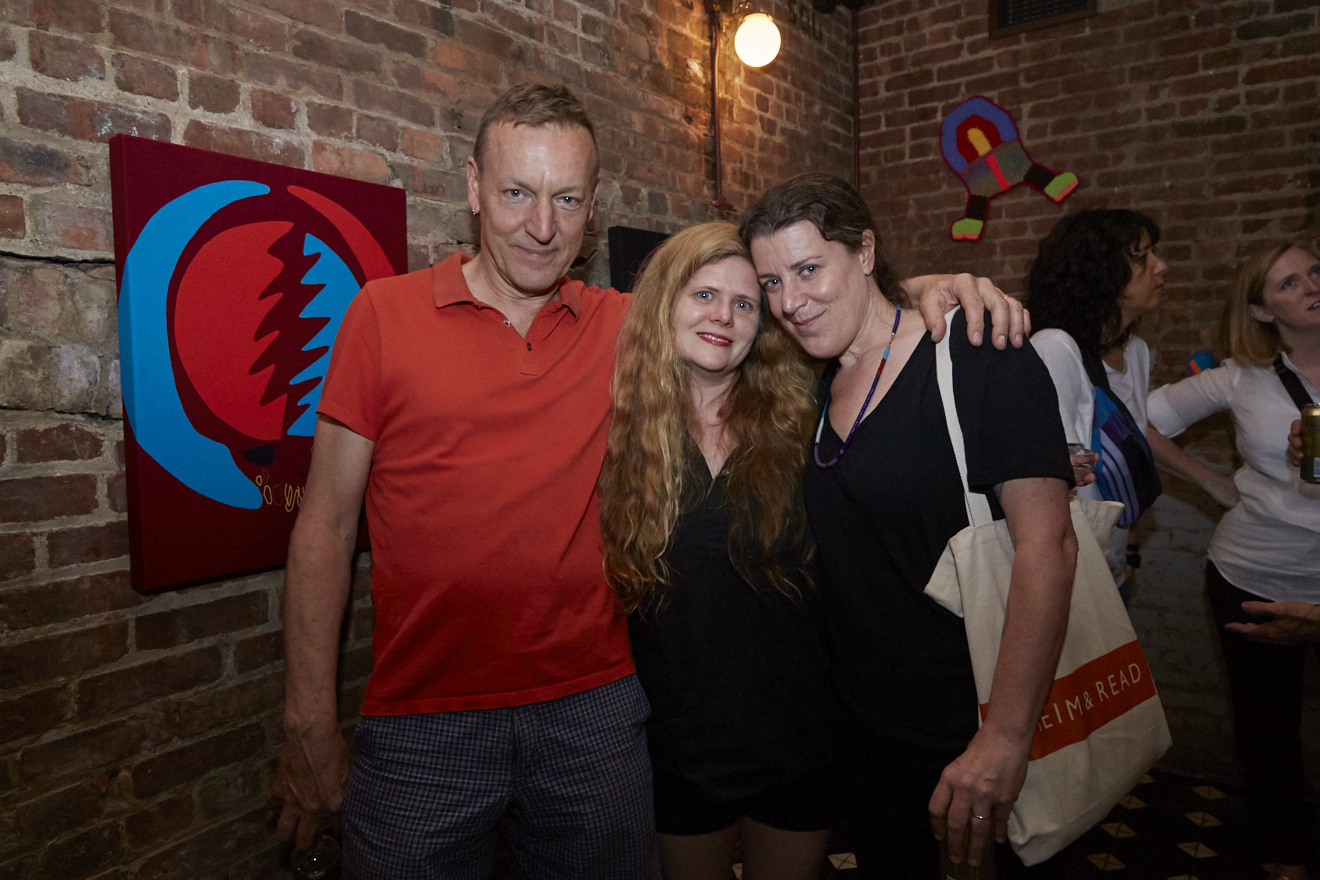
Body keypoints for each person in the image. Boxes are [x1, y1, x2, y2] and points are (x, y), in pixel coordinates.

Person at [264, 84, 1030, 878]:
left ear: (592, 205)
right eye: (517, 194)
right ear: (472, 189)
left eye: (565, 199)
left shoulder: (619, 324)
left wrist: (924, 292)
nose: (541, 226)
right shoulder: (383, 316)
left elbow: (776, 304)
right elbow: (322, 528)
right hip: (425, 717)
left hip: (593, 715)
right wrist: (308, 719)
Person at [742, 173, 1078, 879]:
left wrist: (1005, 737)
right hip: (865, 738)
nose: (791, 302)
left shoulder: (978, 351)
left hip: (970, 725)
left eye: (808, 269)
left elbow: (1049, 543)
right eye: (771, 283)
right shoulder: (810, 381)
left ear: (863, 251)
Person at [599, 222, 833, 880]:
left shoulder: (806, 419)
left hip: (798, 737)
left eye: (743, 304)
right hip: (676, 748)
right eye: (704, 295)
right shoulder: (613, 428)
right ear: (665, 302)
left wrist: (940, 287)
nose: (723, 318)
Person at [1145, 241, 1320, 880]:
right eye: (1288, 283)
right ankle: (1284, 858)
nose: (1310, 286)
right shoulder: (1241, 378)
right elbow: (1133, 417)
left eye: (1315, 272)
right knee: (1269, 732)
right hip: (1253, 575)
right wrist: (1218, 483)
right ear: (1263, 311)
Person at [1024, 209, 1169, 604]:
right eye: (1142, 256)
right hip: (1071, 582)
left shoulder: (1136, 352)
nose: (1161, 266)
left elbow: (1127, 461)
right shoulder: (1054, 349)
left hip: (1113, 571)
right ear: (1099, 271)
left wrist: (1130, 553)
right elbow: (1052, 490)